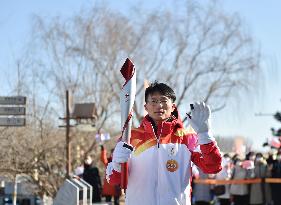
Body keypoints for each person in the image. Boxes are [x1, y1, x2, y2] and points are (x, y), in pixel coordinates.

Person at [106, 82, 222, 205]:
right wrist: (117, 164)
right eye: (154, 101)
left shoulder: (187, 138)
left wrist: (205, 135)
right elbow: (114, 180)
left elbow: (213, 167)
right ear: (146, 107)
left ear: (173, 107)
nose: (159, 105)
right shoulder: (130, 137)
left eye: (163, 100)